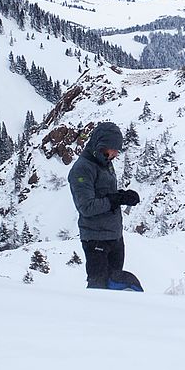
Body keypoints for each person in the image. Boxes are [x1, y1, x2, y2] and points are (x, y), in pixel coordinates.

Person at [69, 121, 142, 290]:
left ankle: (112, 316)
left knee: (114, 288)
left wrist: (122, 196)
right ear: (101, 145)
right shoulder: (82, 169)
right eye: (113, 149)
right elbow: (86, 206)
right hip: (95, 239)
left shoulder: (105, 163)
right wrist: (115, 200)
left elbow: (106, 194)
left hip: (114, 236)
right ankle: (91, 316)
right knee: (99, 289)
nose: (116, 153)